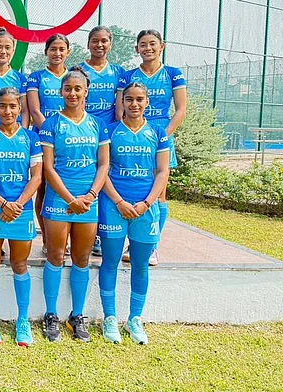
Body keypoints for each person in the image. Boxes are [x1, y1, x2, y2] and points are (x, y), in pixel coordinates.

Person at [39, 67, 110, 343]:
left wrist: (90, 196)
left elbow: (103, 164)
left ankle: (77, 315)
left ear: (86, 91)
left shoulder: (97, 125)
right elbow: (48, 167)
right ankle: (51, 314)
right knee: (56, 256)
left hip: (88, 200)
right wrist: (70, 199)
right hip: (60, 200)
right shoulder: (51, 124)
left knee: (81, 258)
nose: (72, 93)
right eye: (67, 89)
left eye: (77, 89)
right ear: (60, 92)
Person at [98, 81, 170, 345]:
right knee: (110, 261)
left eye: (140, 99)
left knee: (140, 265)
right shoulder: (110, 131)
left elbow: (162, 172)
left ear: (147, 102)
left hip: (145, 209)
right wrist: (118, 202)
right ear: (122, 102)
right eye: (129, 99)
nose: (134, 104)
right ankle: (109, 318)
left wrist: (147, 203)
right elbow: (103, 169)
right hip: (114, 206)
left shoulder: (158, 133)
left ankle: (135, 319)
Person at [0, 87, 42, 347]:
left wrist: (17, 204)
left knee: (19, 264)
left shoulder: (30, 138)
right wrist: (3, 202)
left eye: (12, 107)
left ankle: (23, 319)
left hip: (22, 209)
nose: (7, 111)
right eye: (2, 106)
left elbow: (37, 176)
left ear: (20, 109)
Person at [118, 29, 186, 266]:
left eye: (152, 44)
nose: (148, 48)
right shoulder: (128, 76)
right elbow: (120, 110)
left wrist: (160, 138)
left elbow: (180, 111)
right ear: (137, 48)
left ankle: (152, 245)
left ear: (162, 46)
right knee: (129, 188)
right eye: (143, 44)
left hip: (158, 138)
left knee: (159, 194)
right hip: (131, 136)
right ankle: (128, 241)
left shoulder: (172, 74)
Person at [76, 27, 126, 257]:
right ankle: (90, 234)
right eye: (95, 41)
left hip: (107, 135)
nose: (99, 45)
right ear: (88, 44)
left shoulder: (118, 72)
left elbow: (119, 109)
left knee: (104, 181)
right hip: (83, 134)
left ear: (110, 44)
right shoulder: (78, 70)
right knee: (85, 180)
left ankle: (104, 234)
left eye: (104, 41)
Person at [26, 33, 70, 252]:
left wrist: (67, 134)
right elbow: (35, 110)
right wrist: (53, 133)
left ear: (68, 52)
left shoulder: (75, 76)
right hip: (45, 137)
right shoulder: (36, 77)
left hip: (71, 140)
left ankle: (64, 238)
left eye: (62, 49)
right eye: (53, 49)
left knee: (67, 184)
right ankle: (46, 240)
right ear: (46, 52)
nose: (57, 53)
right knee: (42, 187)